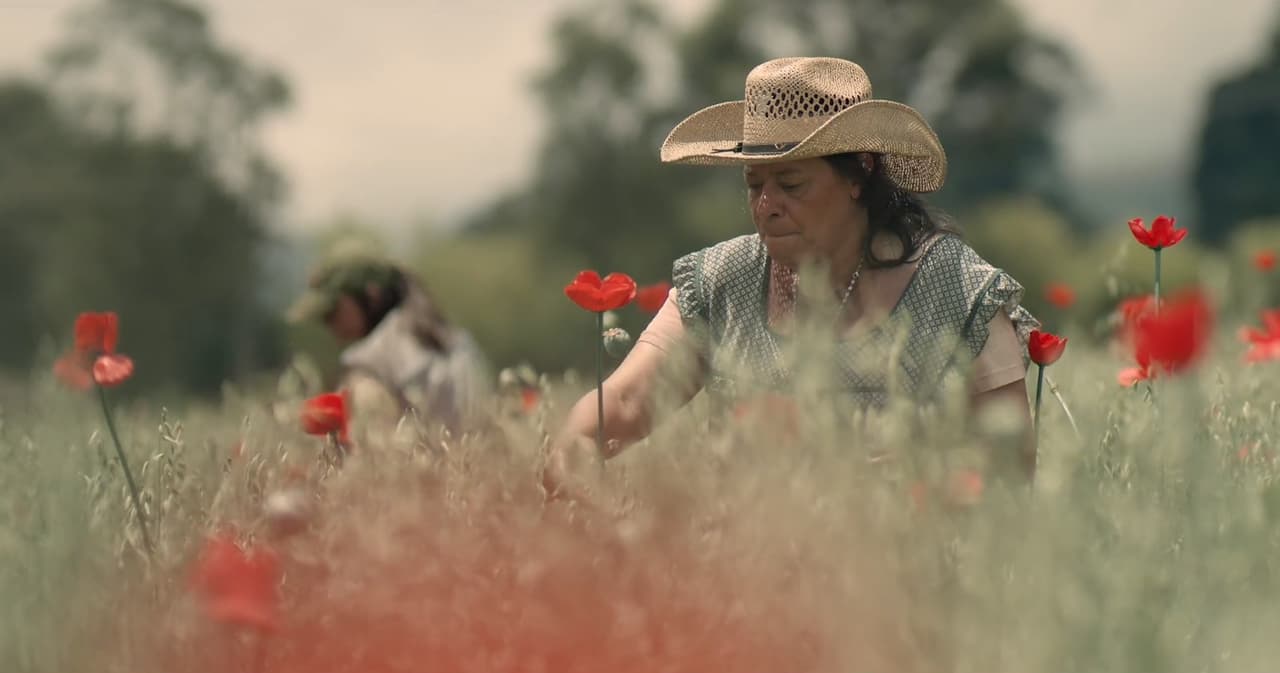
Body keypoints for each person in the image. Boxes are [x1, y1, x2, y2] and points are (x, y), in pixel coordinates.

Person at [547, 57, 1040, 493]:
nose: (766, 207)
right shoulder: (721, 281)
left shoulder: (956, 288)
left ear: (858, 174)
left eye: (791, 184)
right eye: (754, 184)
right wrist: (576, 446)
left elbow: (1011, 468)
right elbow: (628, 400)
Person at [288, 241, 491, 433]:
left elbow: (372, 454)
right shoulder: (457, 341)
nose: (328, 324)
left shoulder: (369, 362)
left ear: (372, 295)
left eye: (333, 312)